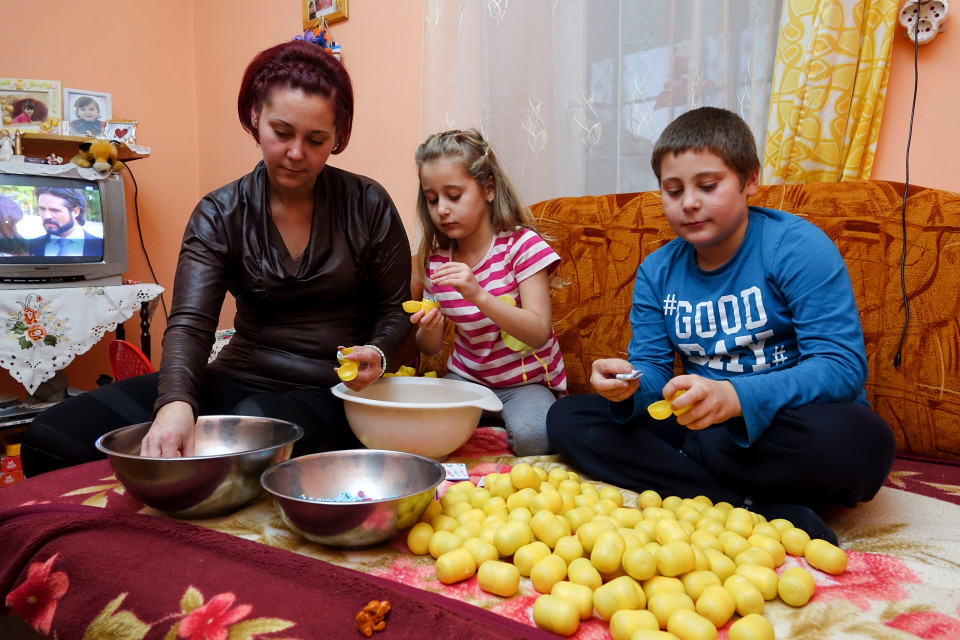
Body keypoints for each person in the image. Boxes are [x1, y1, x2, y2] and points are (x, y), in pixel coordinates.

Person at [20, 39, 412, 475]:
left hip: (330, 391)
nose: (297, 153)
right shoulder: (220, 212)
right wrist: (175, 403)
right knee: (49, 439)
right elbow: (190, 324)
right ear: (254, 117)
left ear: (338, 137)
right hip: (237, 376)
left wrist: (377, 352)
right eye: (282, 133)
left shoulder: (368, 203)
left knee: (240, 446)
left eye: (316, 139)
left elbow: (394, 310)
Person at [546, 107, 895, 545]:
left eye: (707, 186)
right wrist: (629, 386)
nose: (689, 202)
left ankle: (705, 480)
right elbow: (653, 371)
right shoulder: (657, 271)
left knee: (866, 442)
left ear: (750, 180)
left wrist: (735, 398)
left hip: (782, 428)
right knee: (567, 418)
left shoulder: (795, 246)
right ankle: (754, 507)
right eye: (672, 191)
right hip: (701, 428)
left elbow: (841, 365)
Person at [410, 129, 566, 456]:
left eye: (454, 196)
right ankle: (488, 429)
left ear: (488, 190)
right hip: (466, 380)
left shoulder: (521, 246)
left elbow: (539, 332)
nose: (442, 210)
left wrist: (478, 295)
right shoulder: (436, 261)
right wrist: (431, 326)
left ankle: (490, 429)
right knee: (421, 430)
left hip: (525, 384)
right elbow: (429, 348)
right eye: (432, 198)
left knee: (535, 438)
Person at [26, 186, 104, 257]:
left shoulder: (101, 246)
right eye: (42, 209)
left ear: (75, 212)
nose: (46, 216)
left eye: (55, 210)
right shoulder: (28, 247)